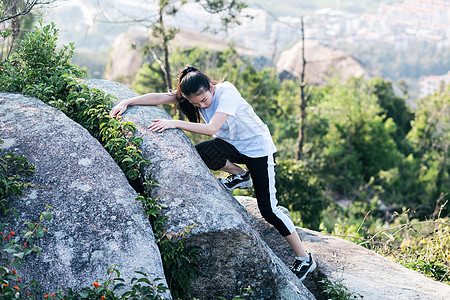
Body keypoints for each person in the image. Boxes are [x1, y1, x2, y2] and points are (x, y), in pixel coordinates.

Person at [109, 66, 316, 281]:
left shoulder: (227, 92)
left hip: (258, 151)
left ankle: (304, 259)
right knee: (200, 153)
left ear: (210, 87)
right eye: (195, 103)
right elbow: (162, 97)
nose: (201, 105)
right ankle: (240, 175)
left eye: (204, 100)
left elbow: (211, 128)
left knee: (268, 209)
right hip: (232, 146)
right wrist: (127, 102)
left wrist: (173, 124)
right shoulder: (194, 93)